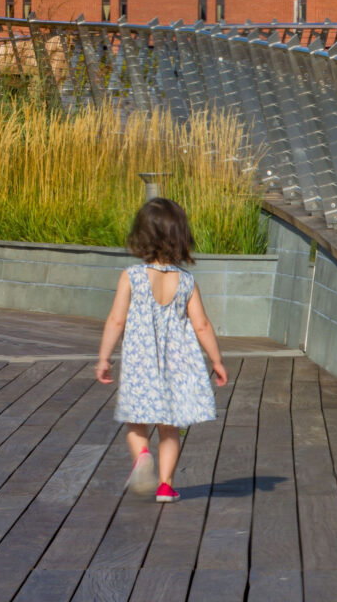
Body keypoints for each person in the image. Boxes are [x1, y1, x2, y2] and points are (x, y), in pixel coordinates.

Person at [96, 198, 228, 503]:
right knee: (170, 427)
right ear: (180, 236)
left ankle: (142, 456)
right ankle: (165, 486)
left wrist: (104, 357)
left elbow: (117, 319)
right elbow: (203, 325)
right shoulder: (186, 281)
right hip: (176, 366)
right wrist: (217, 360)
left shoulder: (131, 276)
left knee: (136, 419)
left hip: (140, 363)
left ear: (141, 235)